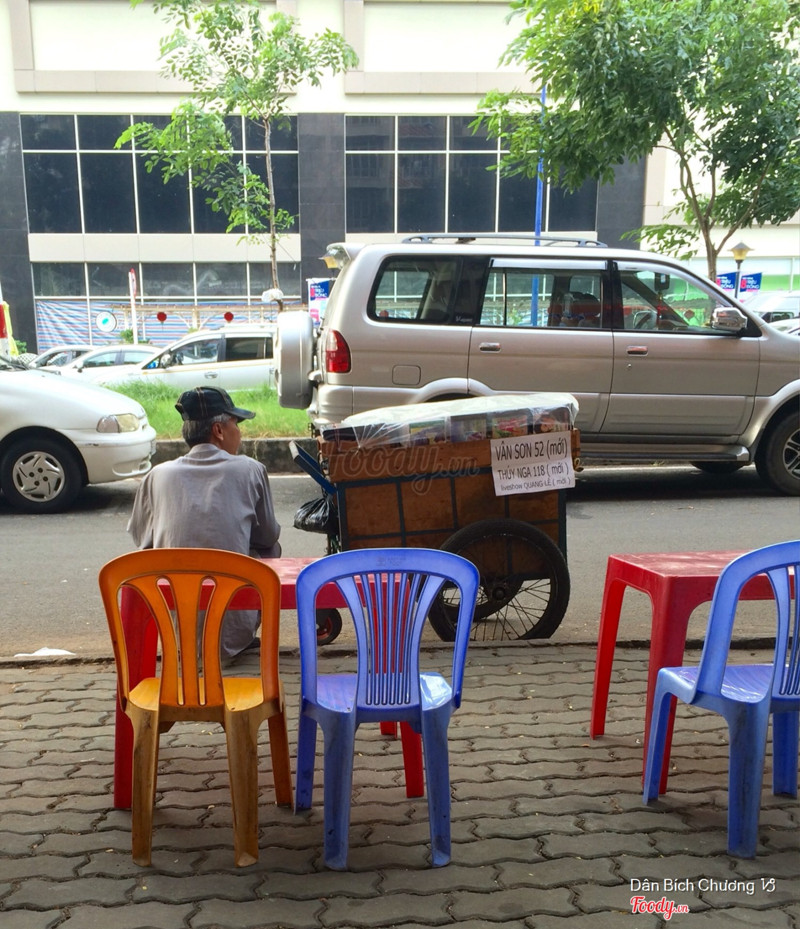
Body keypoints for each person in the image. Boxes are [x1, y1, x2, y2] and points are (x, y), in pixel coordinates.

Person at [127, 386, 281, 661]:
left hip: (175, 631)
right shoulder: (250, 469)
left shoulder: (156, 475)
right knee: (271, 549)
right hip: (235, 632)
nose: (239, 432)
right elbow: (268, 536)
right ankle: (237, 632)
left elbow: (142, 541)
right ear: (219, 430)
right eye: (236, 423)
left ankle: (187, 639)